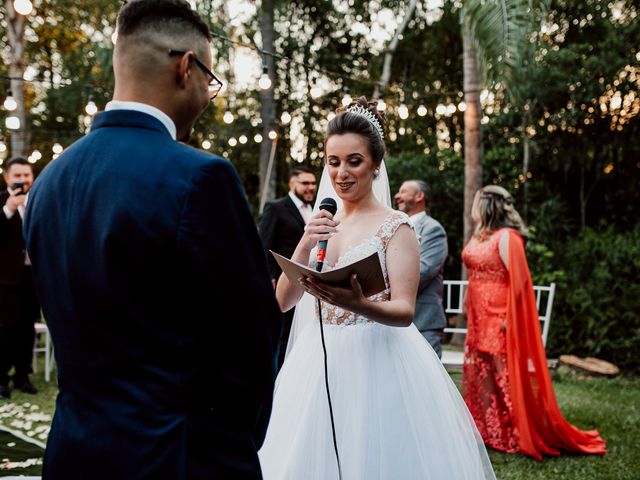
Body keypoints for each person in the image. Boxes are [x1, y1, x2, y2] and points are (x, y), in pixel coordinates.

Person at [23, 1, 282, 478]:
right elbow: (248, 343)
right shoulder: (200, 177)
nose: (209, 94)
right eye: (211, 78)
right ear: (186, 67)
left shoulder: (48, 183)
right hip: (176, 458)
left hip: (73, 455)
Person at [258, 97, 495, 480]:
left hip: (377, 359)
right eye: (333, 162)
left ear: (376, 164)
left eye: (354, 161)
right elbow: (283, 302)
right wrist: (304, 243)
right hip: (316, 362)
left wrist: (358, 303)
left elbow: (403, 311)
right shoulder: (321, 223)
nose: (342, 173)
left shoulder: (396, 226)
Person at [461, 185, 606, 460]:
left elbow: (520, 284)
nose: (473, 204)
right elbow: (474, 274)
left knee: (504, 374)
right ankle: (490, 429)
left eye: (477, 199)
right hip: (478, 316)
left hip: (499, 315)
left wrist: (509, 319)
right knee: (483, 371)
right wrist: (467, 304)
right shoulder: (479, 236)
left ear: (488, 205)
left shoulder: (508, 238)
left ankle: (516, 430)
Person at [259, 166, 317, 369]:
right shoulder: (275, 208)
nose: (310, 187)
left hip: (311, 283)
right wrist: (269, 278)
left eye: (313, 183)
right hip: (285, 282)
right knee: (284, 334)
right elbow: (263, 245)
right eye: (305, 183)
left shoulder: (317, 208)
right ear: (293, 184)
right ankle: (282, 377)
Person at [394, 179, 448, 358]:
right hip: (394, 318)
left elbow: (425, 269)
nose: (397, 196)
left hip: (423, 319)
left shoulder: (433, 230)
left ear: (420, 196)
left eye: (403, 192)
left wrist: (385, 284)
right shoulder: (393, 228)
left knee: (428, 382)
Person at [0, 157, 40, 399]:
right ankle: (1, 378)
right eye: (18, 175)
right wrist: (9, 209)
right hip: (5, 279)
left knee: (28, 328)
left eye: (27, 175)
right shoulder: (1, 202)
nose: (23, 180)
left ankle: (23, 375)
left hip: (32, 277)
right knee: (4, 330)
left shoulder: (37, 201)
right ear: (7, 177)